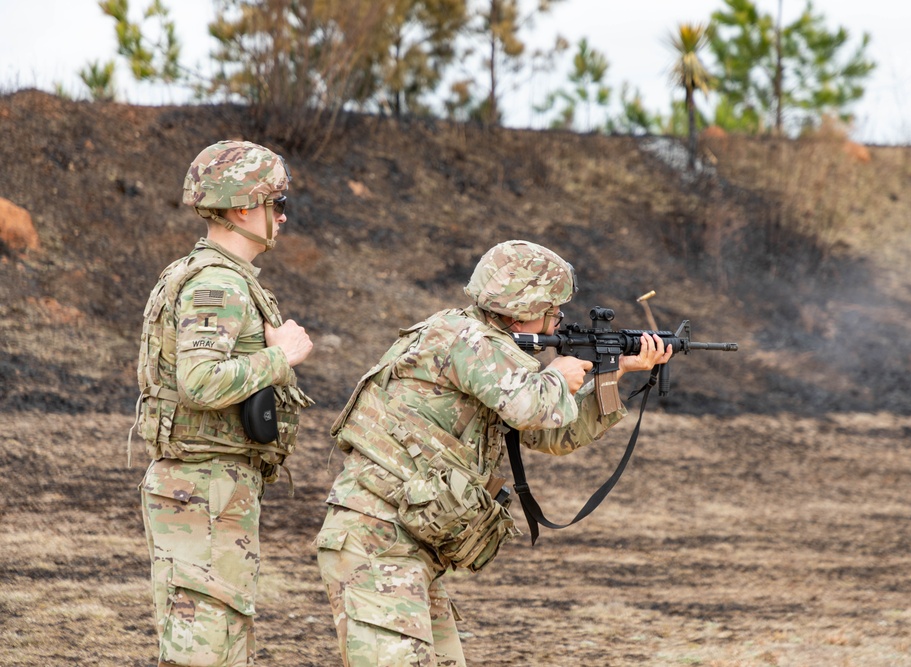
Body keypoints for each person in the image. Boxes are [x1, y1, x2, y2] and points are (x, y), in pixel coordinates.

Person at [315, 239, 672, 666]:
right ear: (525, 304)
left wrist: (615, 375)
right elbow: (532, 405)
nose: (557, 320)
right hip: (377, 541)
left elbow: (550, 435)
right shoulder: (467, 339)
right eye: (553, 309)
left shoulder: (495, 350)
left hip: (410, 542)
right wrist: (557, 374)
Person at [131, 139, 314, 667]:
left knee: (220, 639)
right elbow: (200, 381)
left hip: (212, 485)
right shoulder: (217, 284)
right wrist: (282, 358)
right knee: (204, 646)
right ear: (241, 208)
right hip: (203, 487)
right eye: (275, 204)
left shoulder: (209, 275)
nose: (282, 217)